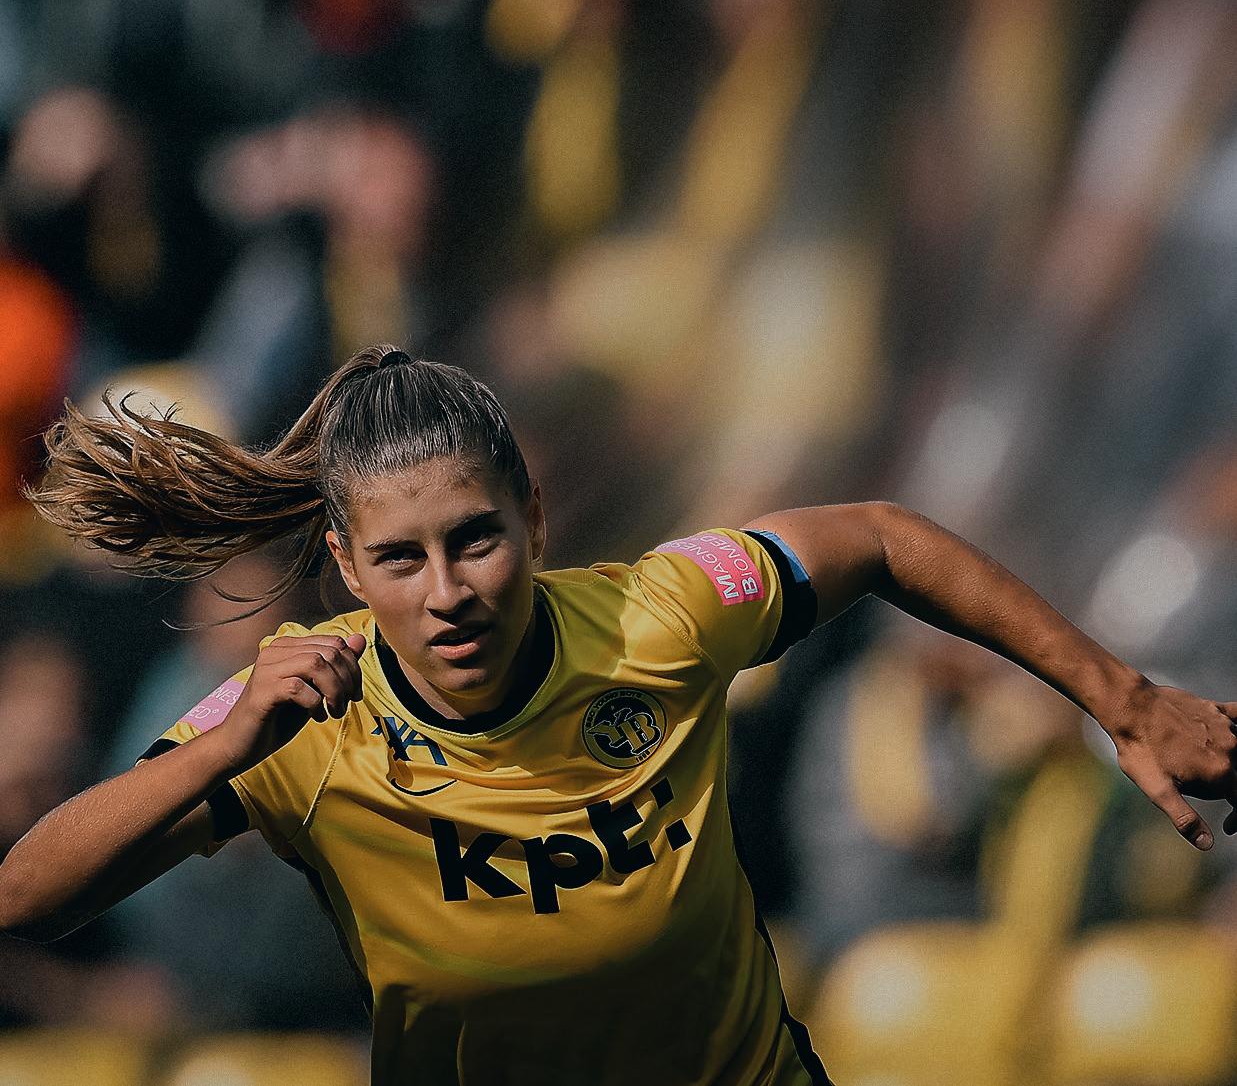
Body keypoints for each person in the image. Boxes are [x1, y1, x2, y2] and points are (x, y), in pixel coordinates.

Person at [3, 345, 1236, 1086]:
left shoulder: (663, 611)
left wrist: (1124, 699)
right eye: (401, 558)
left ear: (534, 518)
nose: (448, 591)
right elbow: (22, 896)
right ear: (345, 565)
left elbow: (879, 536)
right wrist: (219, 755)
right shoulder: (299, 709)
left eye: (476, 538)